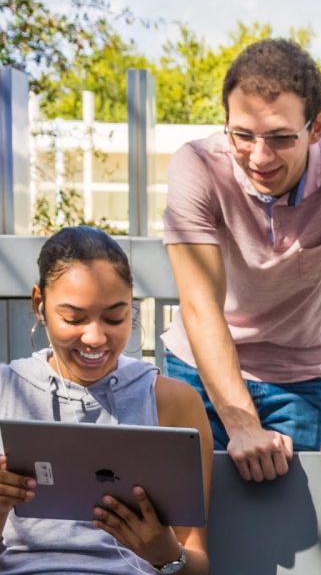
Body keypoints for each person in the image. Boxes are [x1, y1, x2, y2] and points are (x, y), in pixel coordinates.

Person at [161, 38, 321, 482]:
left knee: (288, 531)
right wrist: (243, 424)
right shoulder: (196, 163)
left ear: (318, 126)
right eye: (243, 135)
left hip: (297, 376)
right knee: (186, 521)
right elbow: (199, 304)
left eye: (281, 138)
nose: (260, 156)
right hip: (196, 369)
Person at [0, 226, 213, 574]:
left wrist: (166, 554)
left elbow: (197, 564)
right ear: (39, 304)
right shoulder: (7, 390)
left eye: (115, 317)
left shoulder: (172, 402)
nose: (96, 337)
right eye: (74, 318)